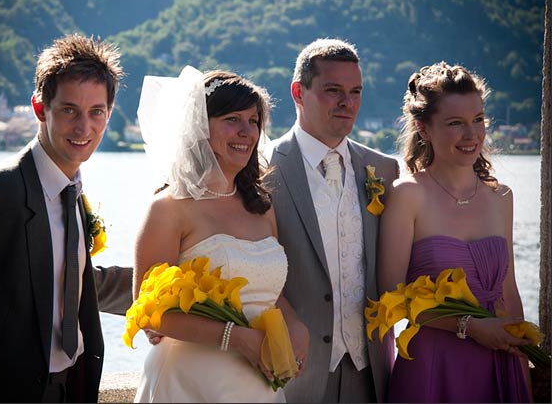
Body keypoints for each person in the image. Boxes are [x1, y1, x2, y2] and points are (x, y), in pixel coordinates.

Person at [0, 34, 133, 403]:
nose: (84, 128)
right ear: (39, 107)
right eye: (69, 110)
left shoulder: (73, 196)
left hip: (73, 388)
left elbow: (70, 282)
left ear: (109, 114)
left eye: (96, 112)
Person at [132, 66, 309, 403]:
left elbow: (266, 291)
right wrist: (237, 338)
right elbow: (148, 312)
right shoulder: (169, 208)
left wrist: (295, 323)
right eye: (232, 119)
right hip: (188, 381)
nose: (246, 132)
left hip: (256, 383)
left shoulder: (261, 207)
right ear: (200, 126)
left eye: (253, 121)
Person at [377, 61, 532, 402]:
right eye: (455, 123)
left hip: (499, 360)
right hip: (434, 364)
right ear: (423, 128)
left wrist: (521, 357)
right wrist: (471, 327)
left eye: (478, 120)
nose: (472, 134)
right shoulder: (407, 195)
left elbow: (508, 289)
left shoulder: (500, 196)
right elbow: (392, 294)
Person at [265, 38, 400, 403]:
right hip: (293, 373)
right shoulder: (260, 168)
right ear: (298, 92)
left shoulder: (384, 170)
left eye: (355, 91)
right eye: (333, 90)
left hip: (371, 372)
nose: (348, 102)